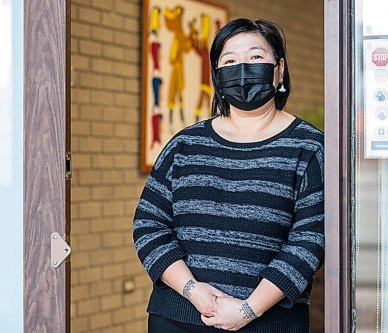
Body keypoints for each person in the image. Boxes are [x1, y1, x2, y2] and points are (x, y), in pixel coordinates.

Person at [133, 18, 324, 332]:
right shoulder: (185, 145)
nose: (244, 68)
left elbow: (309, 241)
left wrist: (248, 310)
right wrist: (193, 291)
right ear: (218, 75)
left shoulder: (309, 147)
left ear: (279, 69)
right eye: (230, 60)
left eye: (256, 57)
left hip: (269, 323)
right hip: (177, 318)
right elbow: (149, 225)